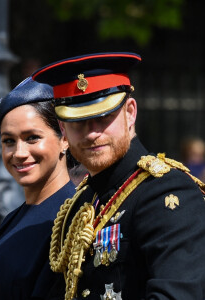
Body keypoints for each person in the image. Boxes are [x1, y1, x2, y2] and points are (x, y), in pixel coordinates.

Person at [31, 52, 205, 300]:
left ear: (130, 112)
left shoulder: (167, 191)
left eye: (103, 117)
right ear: (63, 129)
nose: (92, 133)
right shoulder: (83, 202)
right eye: (79, 122)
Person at [0, 77, 76, 300]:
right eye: (8, 141)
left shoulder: (72, 219)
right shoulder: (15, 217)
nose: (19, 152)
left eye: (32, 138)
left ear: (64, 138)